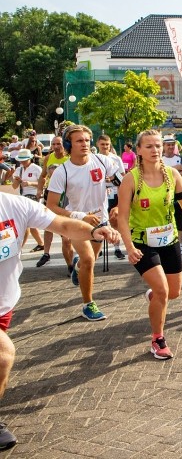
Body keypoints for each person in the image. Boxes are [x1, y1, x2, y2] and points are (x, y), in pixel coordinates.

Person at [0, 191, 121, 450]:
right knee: (3, 355)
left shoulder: (14, 205)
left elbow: (62, 224)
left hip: (4, 306)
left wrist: (92, 232)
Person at [117, 129, 182, 358]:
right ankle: (157, 339)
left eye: (158, 146)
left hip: (169, 240)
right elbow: (122, 217)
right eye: (149, 146)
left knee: (174, 293)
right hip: (142, 243)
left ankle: (155, 296)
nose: (155, 150)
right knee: (162, 290)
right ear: (138, 150)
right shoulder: (131, 179)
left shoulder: (172, 175)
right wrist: (129, 247)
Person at [46, 124, 121, 320]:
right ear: (69, 144)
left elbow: (124, 183)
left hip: (101, 221)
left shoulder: (103, 161)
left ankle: (78, 268)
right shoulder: (62, 171)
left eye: (87, 140)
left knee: (90, 261)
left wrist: (120, 205)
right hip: (77, 223)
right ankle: (88, 304)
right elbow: (52, 205)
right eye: (79, 141)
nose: (85, 144)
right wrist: (80, 216)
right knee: (88, 259)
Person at [35, 136, 74, 269]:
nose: (56, 146)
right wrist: (39, 189)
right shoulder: (48, 158)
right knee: (48, 224)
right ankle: (46, 253)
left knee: (65, 231)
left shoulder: (70, 158)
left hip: (66, 195)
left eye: (59, 144)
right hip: (51, 194)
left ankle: (70, 263)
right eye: (54, 144)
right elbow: (42, 176)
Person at [95, 134, 126, 260]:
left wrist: (113, 180)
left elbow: (122, 177)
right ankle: (99, 247)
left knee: (115, 220)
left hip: (113, 192)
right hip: (99, 193)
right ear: (98, 145)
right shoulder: (94, 158)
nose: (105, 147)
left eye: (107, 144)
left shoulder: (116, 159)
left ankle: (117, 248)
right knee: (99, 221)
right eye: (102, 144)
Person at [162, 136, 182, 254]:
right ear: (164, 146)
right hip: (164, 192)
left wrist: (169, 171)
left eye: (172, 145)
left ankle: (179, 244)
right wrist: (176, 169)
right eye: (168, 145)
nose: (171, 147)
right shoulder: (160, 159)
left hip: (179, 191)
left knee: (180, 218)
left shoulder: (180, 158)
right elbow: (159, 173)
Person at [11, 150, 44, 252]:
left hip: (34, 196)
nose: (23, 162)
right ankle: (40, 243)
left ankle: (20, 247)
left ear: (30, 159)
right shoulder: (19, 169)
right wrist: (17, 181)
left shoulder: (36, 168)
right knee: (29, 223)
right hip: (23, 197)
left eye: (25, 160)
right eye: (21, 160)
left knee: (26, 223)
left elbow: (43, 183)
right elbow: (14, 186)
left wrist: (30, 183)